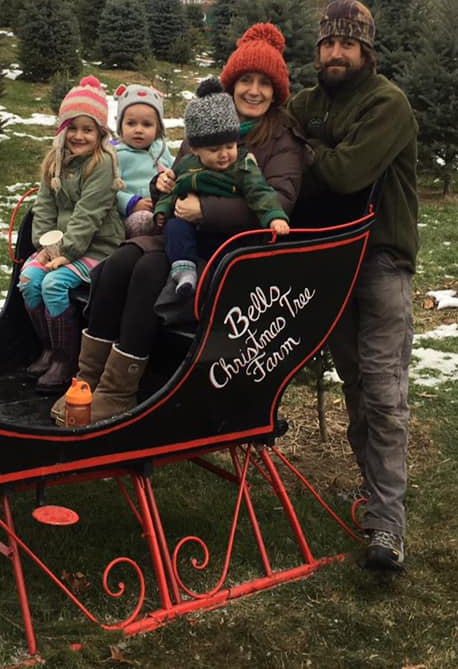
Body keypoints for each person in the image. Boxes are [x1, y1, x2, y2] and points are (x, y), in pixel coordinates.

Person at [51, 21, 306, 425]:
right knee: (118, 265)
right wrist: (161, 183)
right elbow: (178, 172)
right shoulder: (207, 120)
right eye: (245, 80)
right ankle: (86, 379)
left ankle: (119, 392)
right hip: (181, 233)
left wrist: (205, 210)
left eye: (264, 82)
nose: (254, 90)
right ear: (232, 83)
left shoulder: (282, 141)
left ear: (276, 91)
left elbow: (278, 202)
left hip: (233, 252)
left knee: (150, 270)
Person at [288, 0, 418, 572]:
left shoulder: (388, 104)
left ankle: (388, 526)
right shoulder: (307, 103)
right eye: (327, 44)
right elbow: (269, 142)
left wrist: (302, 154)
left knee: (385, 391)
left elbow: (346, 173)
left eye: (347, 44)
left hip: (381, 260)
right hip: (329, 262)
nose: (335, 53)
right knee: (357, 385)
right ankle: (375, 493)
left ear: (367, 50)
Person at [19, 75, 125, 394]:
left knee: (54, 284)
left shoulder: (102, 164)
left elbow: (87, 216)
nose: (79, 136)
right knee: (29, 279)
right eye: (73, 128)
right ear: (62, 129)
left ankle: (67, 359)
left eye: (87, 129)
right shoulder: (55, 161)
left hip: (97, 248)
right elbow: (44, 204)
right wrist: (43, 246)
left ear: (100, 133)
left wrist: (66, 253)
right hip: (62, 247)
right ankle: (49, 347)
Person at [155, 76, 290, 297]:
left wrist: (275, 216)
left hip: (226, 233)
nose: (224, 154)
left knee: (229, 255)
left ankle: (220, 281)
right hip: (192, 233)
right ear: (196, 150)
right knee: (174, 227)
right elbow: (175, 192)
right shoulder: (188, 165)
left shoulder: (243, 166)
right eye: (215, 150)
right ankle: (184, 269)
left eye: (230, 146)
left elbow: (261, 192)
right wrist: (162, 209)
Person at [113, 83, 174, 237]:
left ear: (158, 128)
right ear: (120, 126)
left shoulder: (160, 149)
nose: (139, 130)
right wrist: (132, 203)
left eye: (147, 124)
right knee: (143, 221)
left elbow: (176, 168)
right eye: (131, 123)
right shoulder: (117, 155)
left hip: (162, 209)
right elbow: (108, 190)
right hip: (132, 216)